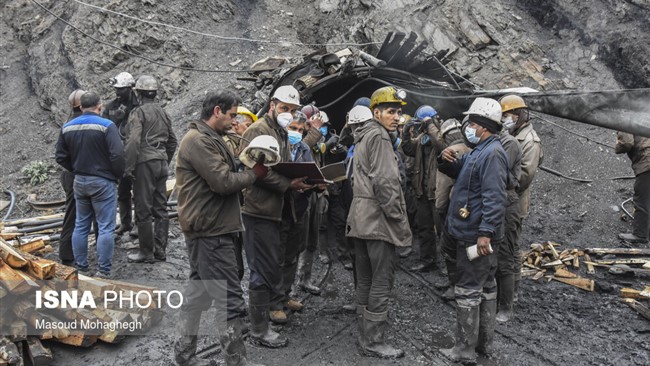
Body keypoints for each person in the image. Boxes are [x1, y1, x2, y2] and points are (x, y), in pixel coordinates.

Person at [173, 90, 267, 366]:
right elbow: (223, 182)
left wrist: (245, 162)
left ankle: (183, 355)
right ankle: (235, 362)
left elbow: (225, 169)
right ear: (217, 111)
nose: (234, 120)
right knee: (229, 299)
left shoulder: (212, 139)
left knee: (198, 295)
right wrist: (254, 174)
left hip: (211, 228)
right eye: (232, 115)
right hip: (211, 231)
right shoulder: (198, 141)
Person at [239, 85, 312, 348]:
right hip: (259, 209)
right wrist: (287, 184)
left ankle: (275, 304)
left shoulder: (281, 131)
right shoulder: (257, 131)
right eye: (284, 108)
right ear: (272, 104)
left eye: (293, 110)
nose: (288, 114)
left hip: (278, 208)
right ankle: (259, 330)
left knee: (276, 260)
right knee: (261, 268)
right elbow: (252, 166)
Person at [438, 97, 508, 364]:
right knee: (487, 286)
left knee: (468, 289)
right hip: (470, 231)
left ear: (482, 126)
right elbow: (464, 177)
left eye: (472, 123)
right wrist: (445, 160)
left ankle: (465, 350)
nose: (467, 127)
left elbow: (494, 197)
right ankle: (483, 344)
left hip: (474, 235)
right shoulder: (480, 151)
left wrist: (485, 232)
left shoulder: (492, 154)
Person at [346, 86, 412, 359]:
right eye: (391, 111)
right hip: (377, 220)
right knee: (381, 281)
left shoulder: (362, 136)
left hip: (359, 217)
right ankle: (373, 341)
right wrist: (398, 218)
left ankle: (364, 333)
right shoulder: (381, 138)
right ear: (376, 112)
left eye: (399, 112)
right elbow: (386, 183)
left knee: (364, 278)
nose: (396, 117)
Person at [55, 92, 124, 278]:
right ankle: (103, 270)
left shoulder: (67, 127)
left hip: (80, 181)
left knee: (80, 225)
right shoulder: (107, 126)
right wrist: (116, 175)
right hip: (103, 182)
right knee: (105, 227)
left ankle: (82, 267)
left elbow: (60, 156)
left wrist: (76, 168)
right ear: (99, 106)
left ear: (80, 107)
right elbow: (117, 154)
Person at [270, 113, 320, 324]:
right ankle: (273, 304)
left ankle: (285, 295)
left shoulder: (305, 149)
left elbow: (311, 171)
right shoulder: (277, 146)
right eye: (293, 128)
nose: (296, 133)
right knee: (277, 256)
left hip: (299, 207)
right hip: (280, 208)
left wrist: (317, 183)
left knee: (292, 254)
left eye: (300, 130)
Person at [124, 75, 178, 263]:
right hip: (161, 162)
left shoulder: (138, 113)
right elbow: (173, 141)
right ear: (155, 93)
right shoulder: (163, 112)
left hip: (145, 163)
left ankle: (146, 252)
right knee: (161, 207)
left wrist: (129, 167)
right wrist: (163, 159)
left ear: (138, 94)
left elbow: (132, 141)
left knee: (143, 208)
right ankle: (160, 250)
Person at [501, 94, 543, 299]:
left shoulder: (530, 141)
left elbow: (524, 177)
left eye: (508, 115)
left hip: (515, 202)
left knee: (510, 246)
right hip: (504, 200)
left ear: (520, 115)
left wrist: (501, 188)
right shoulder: (509, 135)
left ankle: (512, 292)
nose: (505, 119)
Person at [401, 105, 446, 272]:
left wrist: (431, 126)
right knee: (424, 228)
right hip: (423, 191)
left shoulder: (443, 135)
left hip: (438, 192)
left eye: (424, 123)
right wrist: (406, 131)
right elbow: (407, 149)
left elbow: (442, 147)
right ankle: (428, 261)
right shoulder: (422, 140)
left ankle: (449, 267)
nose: (422, 126)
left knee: (443, 230)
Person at [435, 118, 471, 301]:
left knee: (450, 249)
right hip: (470, 209)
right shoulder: (473, 149)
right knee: (465, 249)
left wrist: (440, 210)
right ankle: (463, 284)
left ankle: (454, 285)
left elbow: (442, 189)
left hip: (453, 208)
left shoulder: (449, 153)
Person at [102, 72, 140, 235]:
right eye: (116, 89)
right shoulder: (110, 107)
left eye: (121, 89)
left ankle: (139, 223)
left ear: (130, 88)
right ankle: (126, 223)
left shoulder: (139, 105)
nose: (117, 92)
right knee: (123, 191)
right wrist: (116, 119)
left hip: (137, 154)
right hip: (119, 155)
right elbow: (104, 128)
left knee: (139, 192)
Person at [495, 114, 523, 323]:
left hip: (506, 200)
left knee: (506, 254)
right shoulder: (494, 141)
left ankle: (506, 307)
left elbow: (498, 173)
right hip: (495, 198)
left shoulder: (509, 143)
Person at [58, 89, 87, 266]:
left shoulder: (67, 125)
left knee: (72, 214)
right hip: (79, 174)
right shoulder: (87, 123)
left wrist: (72, 168)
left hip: (70, 174)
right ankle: (68, 254)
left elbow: (60, 156)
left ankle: (67, 253)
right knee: (81, 214)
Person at [616, 133, 650, 244]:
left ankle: (640, 234)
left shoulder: (626, 119)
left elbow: (626, 143)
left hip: (647, 162)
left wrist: (617, 146)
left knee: (642, 199)